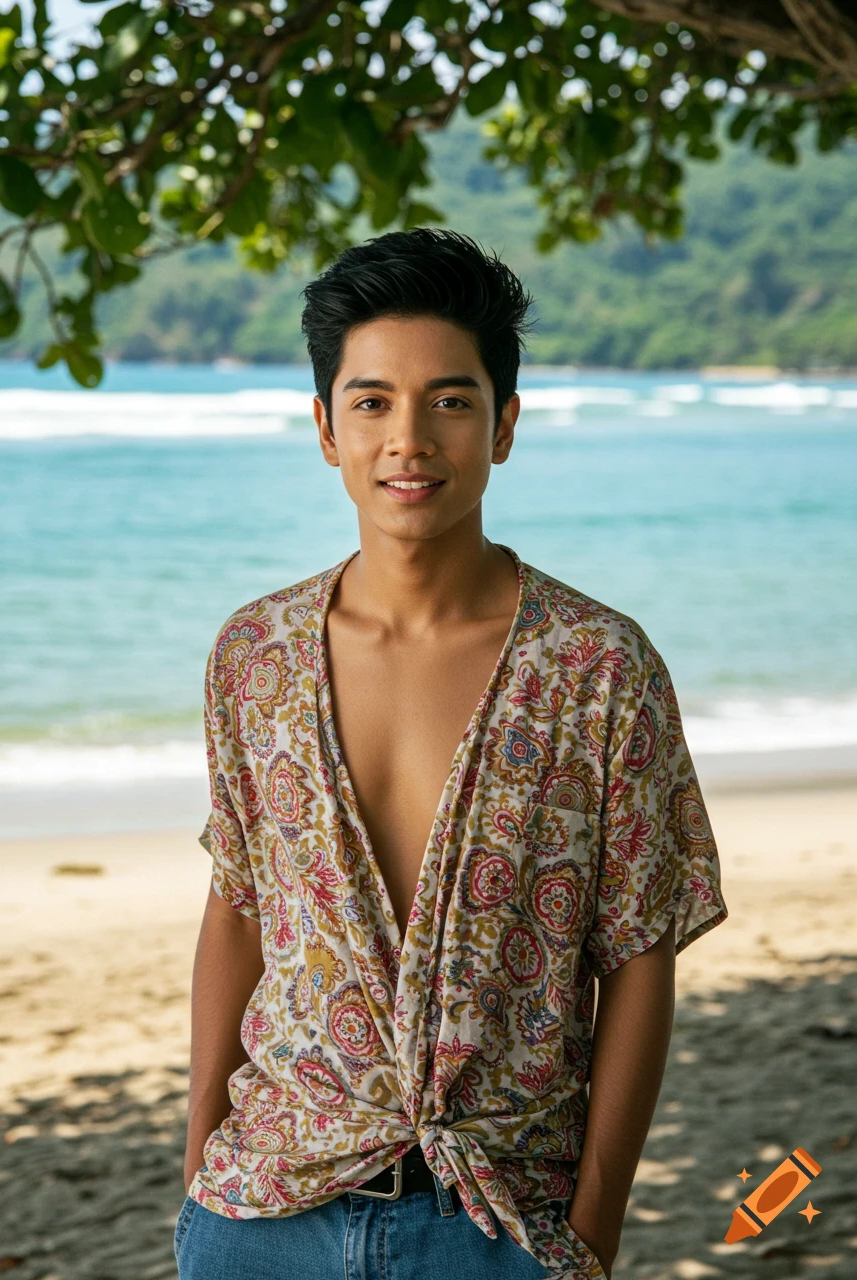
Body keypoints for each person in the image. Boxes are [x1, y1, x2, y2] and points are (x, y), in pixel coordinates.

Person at [174, 228, 728, 1280]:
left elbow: (639, 955)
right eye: (372, 401)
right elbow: (238, 903)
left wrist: (592, 1228)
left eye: (450, 400)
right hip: (262, 1210)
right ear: (326, 430)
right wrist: (201, 1153)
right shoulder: (254, 654)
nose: (409, 440)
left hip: (498, 1221)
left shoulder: (593, 666)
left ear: (504, 425)